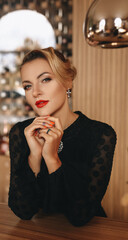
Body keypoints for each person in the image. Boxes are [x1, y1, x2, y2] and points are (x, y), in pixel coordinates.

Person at [8, 47, 116, 226]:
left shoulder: (101, 135)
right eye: (28, 86)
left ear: (68, 81)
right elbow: (23, 211)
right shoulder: (22, 133)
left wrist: (51, 158)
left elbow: (79, 217)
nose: (35, 92)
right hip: (41, 232)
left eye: (45, 80)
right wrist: (34, 156)